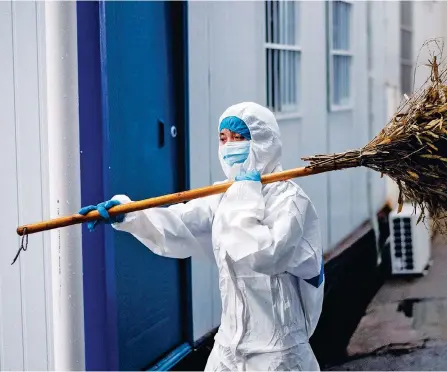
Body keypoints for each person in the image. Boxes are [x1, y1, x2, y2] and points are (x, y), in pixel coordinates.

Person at [79, 102, 325, 371]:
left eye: (239, 138)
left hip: (278, 352)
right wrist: (128, 214)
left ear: (263, 141)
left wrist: (244, 199)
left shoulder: (290, 201)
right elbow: (179, 224)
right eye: (223, 139)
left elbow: (264, 255)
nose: (229, 146)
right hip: (229, 346)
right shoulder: (224, 195)